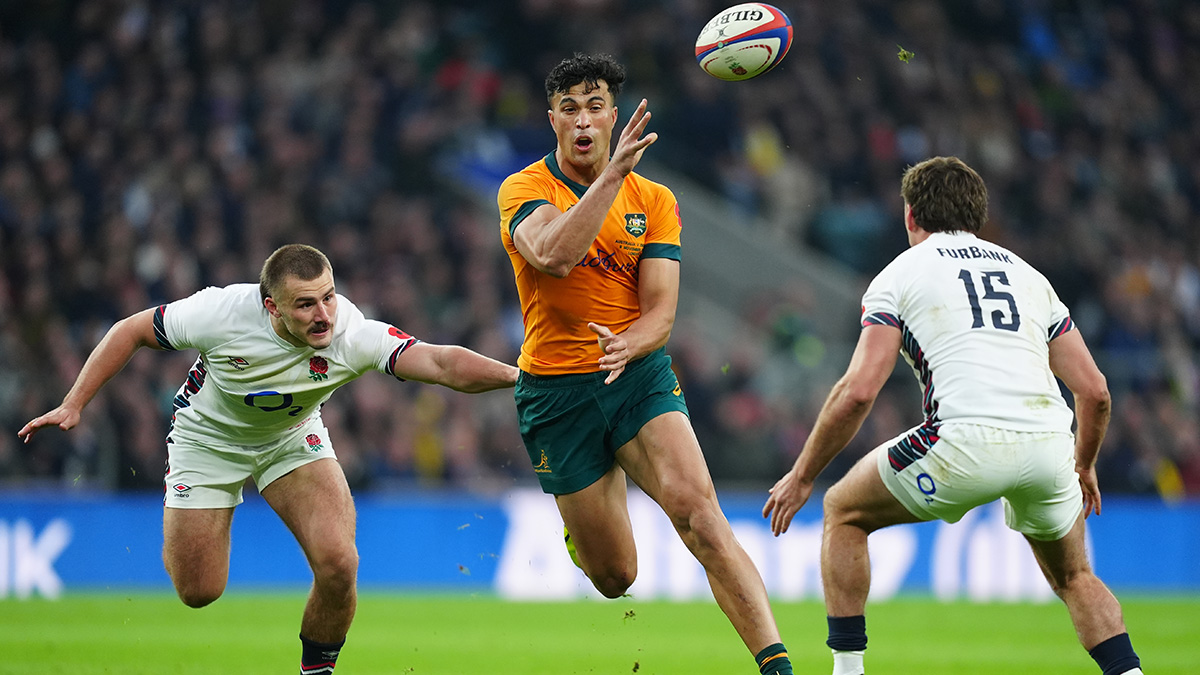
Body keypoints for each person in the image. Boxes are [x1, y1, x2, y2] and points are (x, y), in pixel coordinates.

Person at [18, 244, 518, 674]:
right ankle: (192, 511)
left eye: (328, 296)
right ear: (271, 307)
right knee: (199, 591)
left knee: (339, 563)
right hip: (207, 441)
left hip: (291, 439)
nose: (324, 314)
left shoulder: (351, 332)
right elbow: (130, 330)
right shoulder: (220, 313)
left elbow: (439, 362)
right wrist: (74, 402)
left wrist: (521, 378)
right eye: (305, 305)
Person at [762, 156, 1143, 675]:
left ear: (910, 215)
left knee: (844, 511)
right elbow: (1095, 391)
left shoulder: (899, 275)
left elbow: (857, 392)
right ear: (978, 216)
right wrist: (1085, 464)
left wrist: (802, 474)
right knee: (1076, 578)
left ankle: (847, 672)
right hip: (1049, 444)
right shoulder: (1031, 277)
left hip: (962, 442)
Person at [497, 53, 793, 675]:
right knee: (615, 576)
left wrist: (636, 342)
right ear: (552, 118)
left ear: (613, 114)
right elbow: (553, 256)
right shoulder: (523, 189)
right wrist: (610, 179)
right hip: (555, 394)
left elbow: (661, 310)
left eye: (595, 105)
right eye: (569, 108)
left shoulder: (655, 200)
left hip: (636, 378)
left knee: (702, 519)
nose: (583, 120)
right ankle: (587, 535)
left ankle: (778, 666)